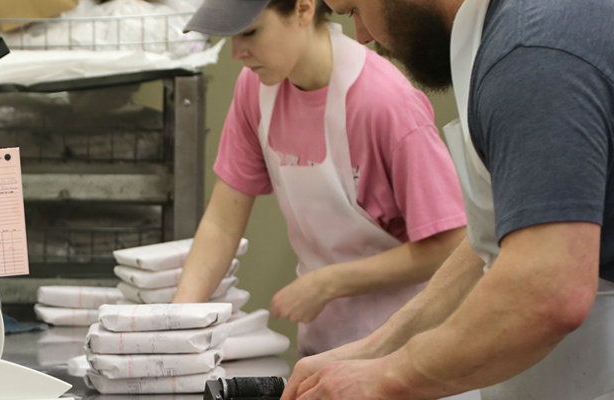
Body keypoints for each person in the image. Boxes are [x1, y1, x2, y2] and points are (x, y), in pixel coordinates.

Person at [280, 0, 614, 399]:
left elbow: (547, 291)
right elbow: (500, 236)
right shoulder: (519, 30)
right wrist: (372, 351)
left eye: (355, 10)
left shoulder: (533, 50)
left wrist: (388, 376)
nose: (362, 36)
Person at [173, 0, 468, 359]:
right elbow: (221, 225)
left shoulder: (384, 103)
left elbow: (452, 245)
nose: (237, 53)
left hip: (407, 353)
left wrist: (330, 281)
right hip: (323, 351)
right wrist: (177, 325)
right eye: (230, 37)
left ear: (303, 8)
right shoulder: (255, 90)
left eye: (250, 32)